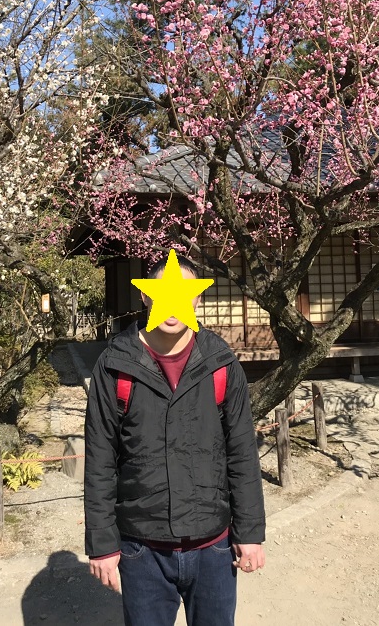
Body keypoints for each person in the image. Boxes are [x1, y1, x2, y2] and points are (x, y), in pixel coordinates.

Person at [84, 253, 265, 626]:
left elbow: (242, 453)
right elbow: (100, 457)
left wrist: (249, 532)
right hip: (141, 547)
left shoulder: (221, 363)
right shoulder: (115, 365)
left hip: (213, 544)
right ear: (145, 297)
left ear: (197, 298)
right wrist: (102, 543)